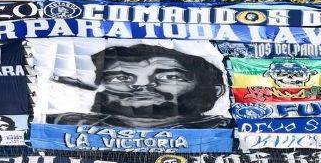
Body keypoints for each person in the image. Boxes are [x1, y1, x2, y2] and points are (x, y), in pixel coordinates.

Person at [48, 43, 229, 128]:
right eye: (121, 78)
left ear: (215, 90)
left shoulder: (221, 130)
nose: (143, 86)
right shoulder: (64, 124)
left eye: (169, 76)